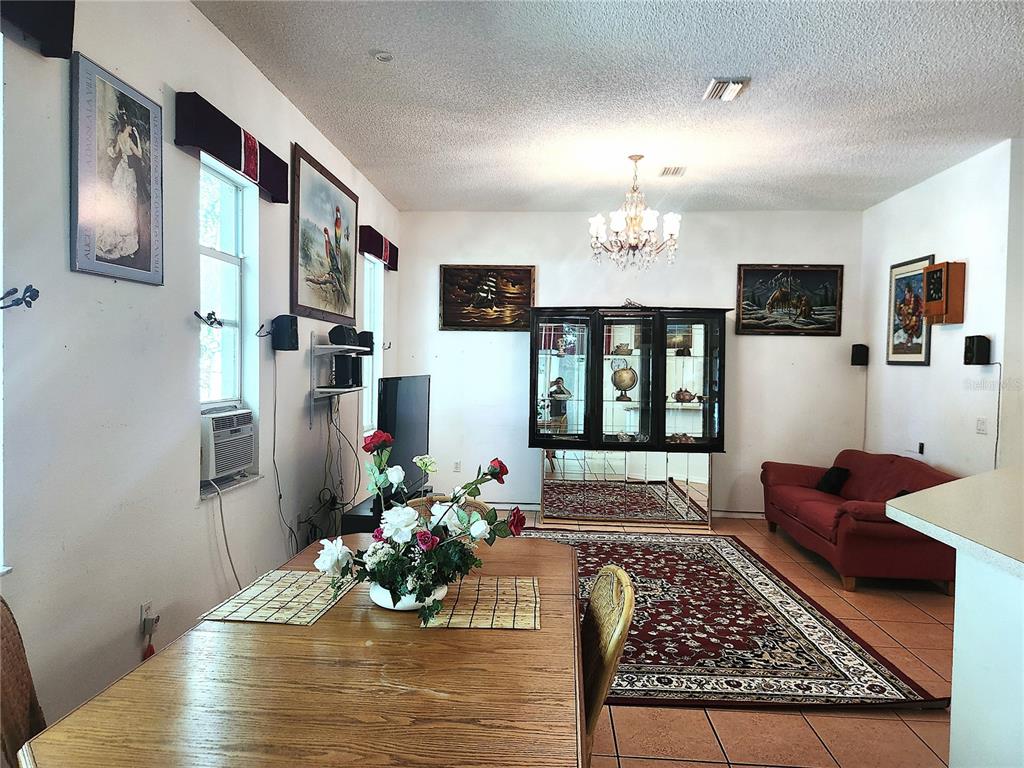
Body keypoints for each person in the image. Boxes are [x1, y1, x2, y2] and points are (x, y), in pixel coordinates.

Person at [96, 108, 143, 260]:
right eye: (130, 127)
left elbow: (115, 152)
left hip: (120, 170)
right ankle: (126, 236)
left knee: (121, 201)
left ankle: (118, 229)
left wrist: (112, 149)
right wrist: (137, 137)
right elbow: (139, 154)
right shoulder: (129, 140)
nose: (131, 128)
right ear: (127, 126)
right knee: (128, 203)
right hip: (127, 172)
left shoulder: (119, 137)